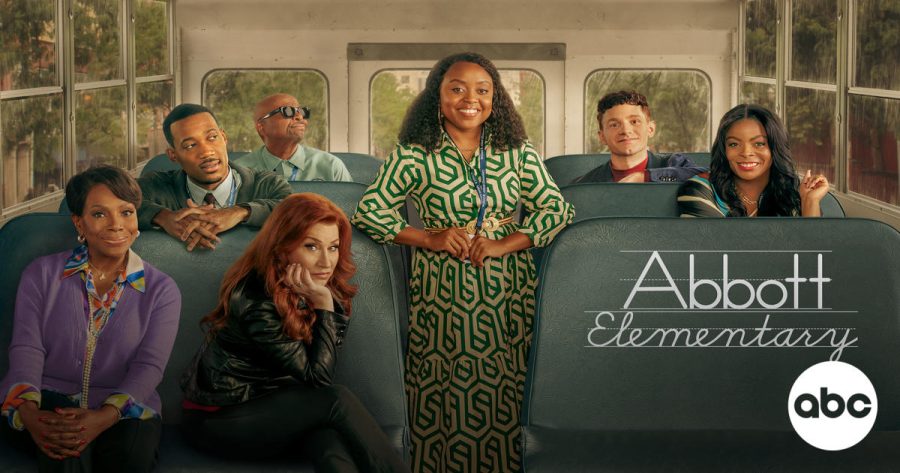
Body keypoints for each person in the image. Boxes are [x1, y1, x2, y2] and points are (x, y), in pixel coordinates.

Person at [352, 52, 574, 473]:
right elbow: (370, 212)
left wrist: (506, 244)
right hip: (442, 289)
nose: (470, 98)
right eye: (456, 88)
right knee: (446, 384)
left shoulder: (517, 151)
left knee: (509, 381)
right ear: (437, 97)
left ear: (495, 99)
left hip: (509, 286)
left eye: (482, 90)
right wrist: (428, 237)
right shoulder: (414, 152)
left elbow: (556, 211)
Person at [180, 193, 407, 472]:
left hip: (275, 408)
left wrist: (324, 302)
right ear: (283, 248)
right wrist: (324, 306)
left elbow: (311, 379)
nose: (326, 262)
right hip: (219, 420)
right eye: (311, 246)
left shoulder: (310, 285)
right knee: (336, 400)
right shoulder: (256, 298)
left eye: (333, 247)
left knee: (329, 441)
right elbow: (319, 380)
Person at [1, 165, 180, 472]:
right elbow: (27, 349)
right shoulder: (41, 274)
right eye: (99, 214)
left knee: (129, 459)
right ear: (79, 223)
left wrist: (105, 416)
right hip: (45, 399)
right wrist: (29, 413)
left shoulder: (162, 289)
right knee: (63, 449)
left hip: (127, 408)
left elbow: (149, 366)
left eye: (126, 212)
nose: (116, 225)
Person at [138, 103, 292, 251]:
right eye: (190, 145)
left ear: (224, 137)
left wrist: (240, 212)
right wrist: (162, 216)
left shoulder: (268, 183)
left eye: (212, 138)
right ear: (173, 155)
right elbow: (120, 202)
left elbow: (293, 211)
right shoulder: (155, 185)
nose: (206, 152)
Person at [677, 103, 829, 217]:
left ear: (775, 148)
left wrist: (810, 202)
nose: (746, 153)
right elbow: (715, 250)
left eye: (759, 144)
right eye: (734, 144)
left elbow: (814, 253)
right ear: (724, 149)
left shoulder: (792, 192)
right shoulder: (700, 188)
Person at [573, 90, 707, 183]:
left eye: (634, 122)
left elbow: (708, 177)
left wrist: (646, 177)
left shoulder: (675, 163)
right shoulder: (584, 185)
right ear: (602, 137)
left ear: (650, 129)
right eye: (614, 125)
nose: (625, 130)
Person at [234, 93, 353, 182]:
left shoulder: (331, 166)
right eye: (288, 111)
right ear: (262, 127)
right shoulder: (239, 172)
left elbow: (349, 214)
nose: (300, 117)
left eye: (302, 111)